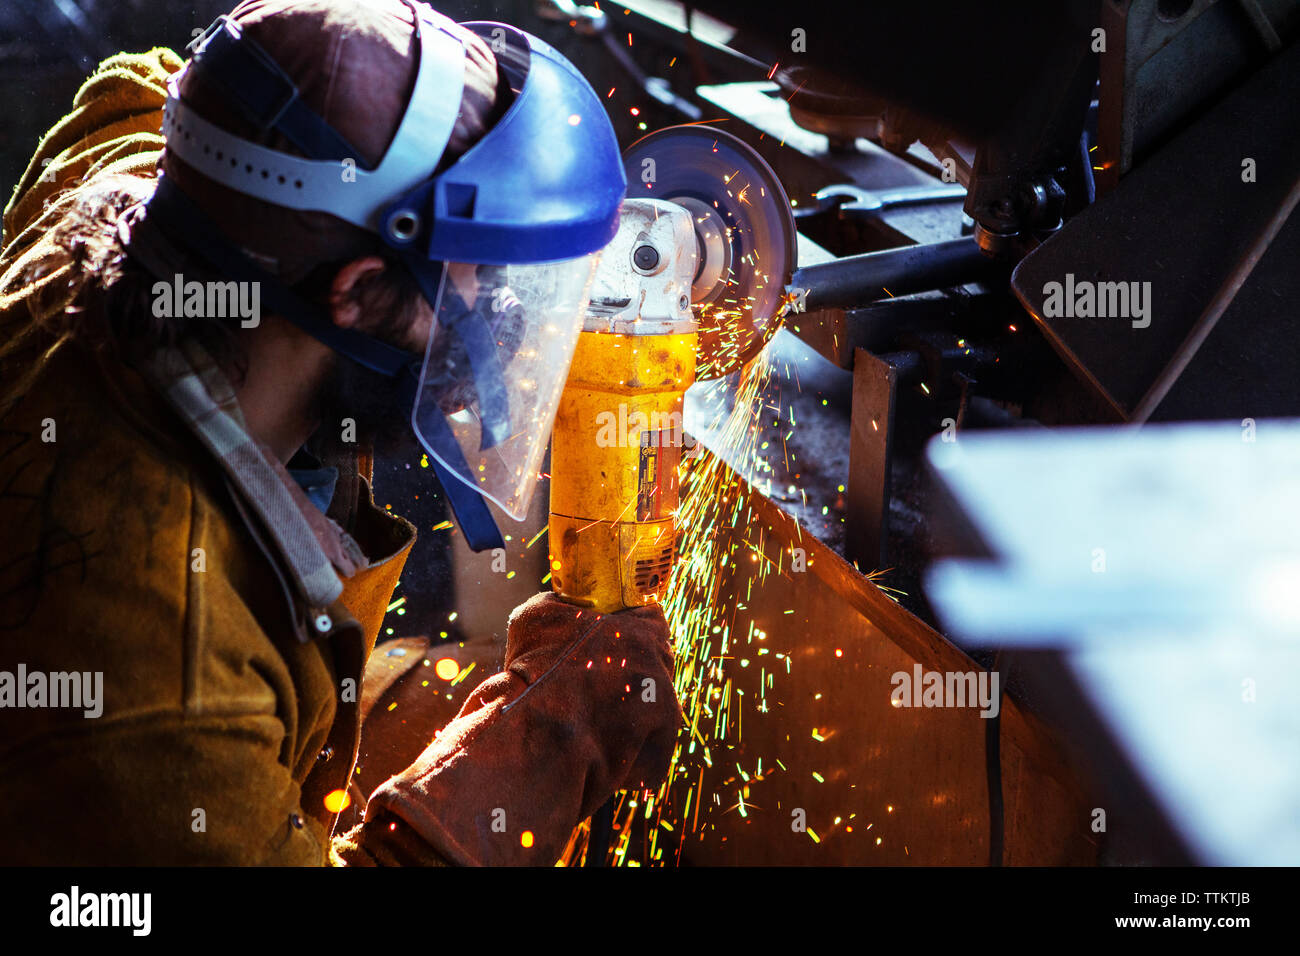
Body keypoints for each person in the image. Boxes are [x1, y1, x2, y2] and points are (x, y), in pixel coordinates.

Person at [0, 0, 680, 866]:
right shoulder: (166, 694)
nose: (497, 307)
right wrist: (552, 737)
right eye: (474, 275)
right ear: (354, 292)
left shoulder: (136, 191)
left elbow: (150, 85)